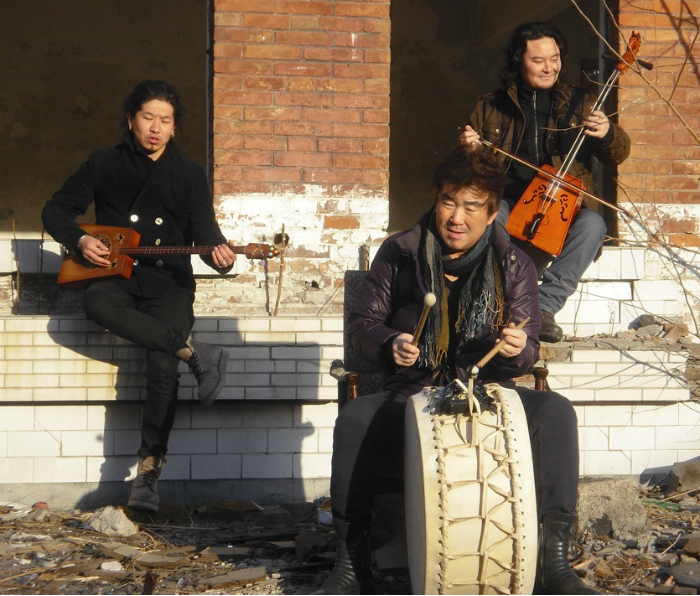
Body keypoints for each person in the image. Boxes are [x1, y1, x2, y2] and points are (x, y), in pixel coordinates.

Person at [315, 146, 597, 595]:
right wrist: (392, 343)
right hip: (414, 393)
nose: (456, 217)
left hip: (485, 395)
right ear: (435, 199)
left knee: (556, 412)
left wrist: (517, 348)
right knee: (353, 420)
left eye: (471, 207)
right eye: (449, 201)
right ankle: (351, 565)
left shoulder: (512, 263)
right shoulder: (401, 252)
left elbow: (528, 347)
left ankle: (553, 562)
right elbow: (362, 326)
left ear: (490, 214)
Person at [42, 80, 237, 514]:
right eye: (147, 117)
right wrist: (77, 240)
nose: (155, 128)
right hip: (116, 277)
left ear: (174, 130)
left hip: (169, 285)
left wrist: (221, 258)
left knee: (162, 364)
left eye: (165, 121)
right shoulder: (103, 163)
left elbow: (206, 237)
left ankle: (148, 472)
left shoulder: (188, 175)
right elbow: (55, 209)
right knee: (96, 302)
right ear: (130, 120)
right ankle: (195, 352)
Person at [460, 21, 630, 343]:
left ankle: (544, 307)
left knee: (594, 225)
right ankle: (513, 303)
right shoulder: (490, 107)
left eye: (554, 58)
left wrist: (608, 133)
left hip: (565, 206)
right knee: (485, 221)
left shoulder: (582, 102)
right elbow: (468, 171)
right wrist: (469, 151)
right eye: (538, 60)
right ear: (518, 61)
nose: (549, 67)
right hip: (509, 199)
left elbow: (618, 153)